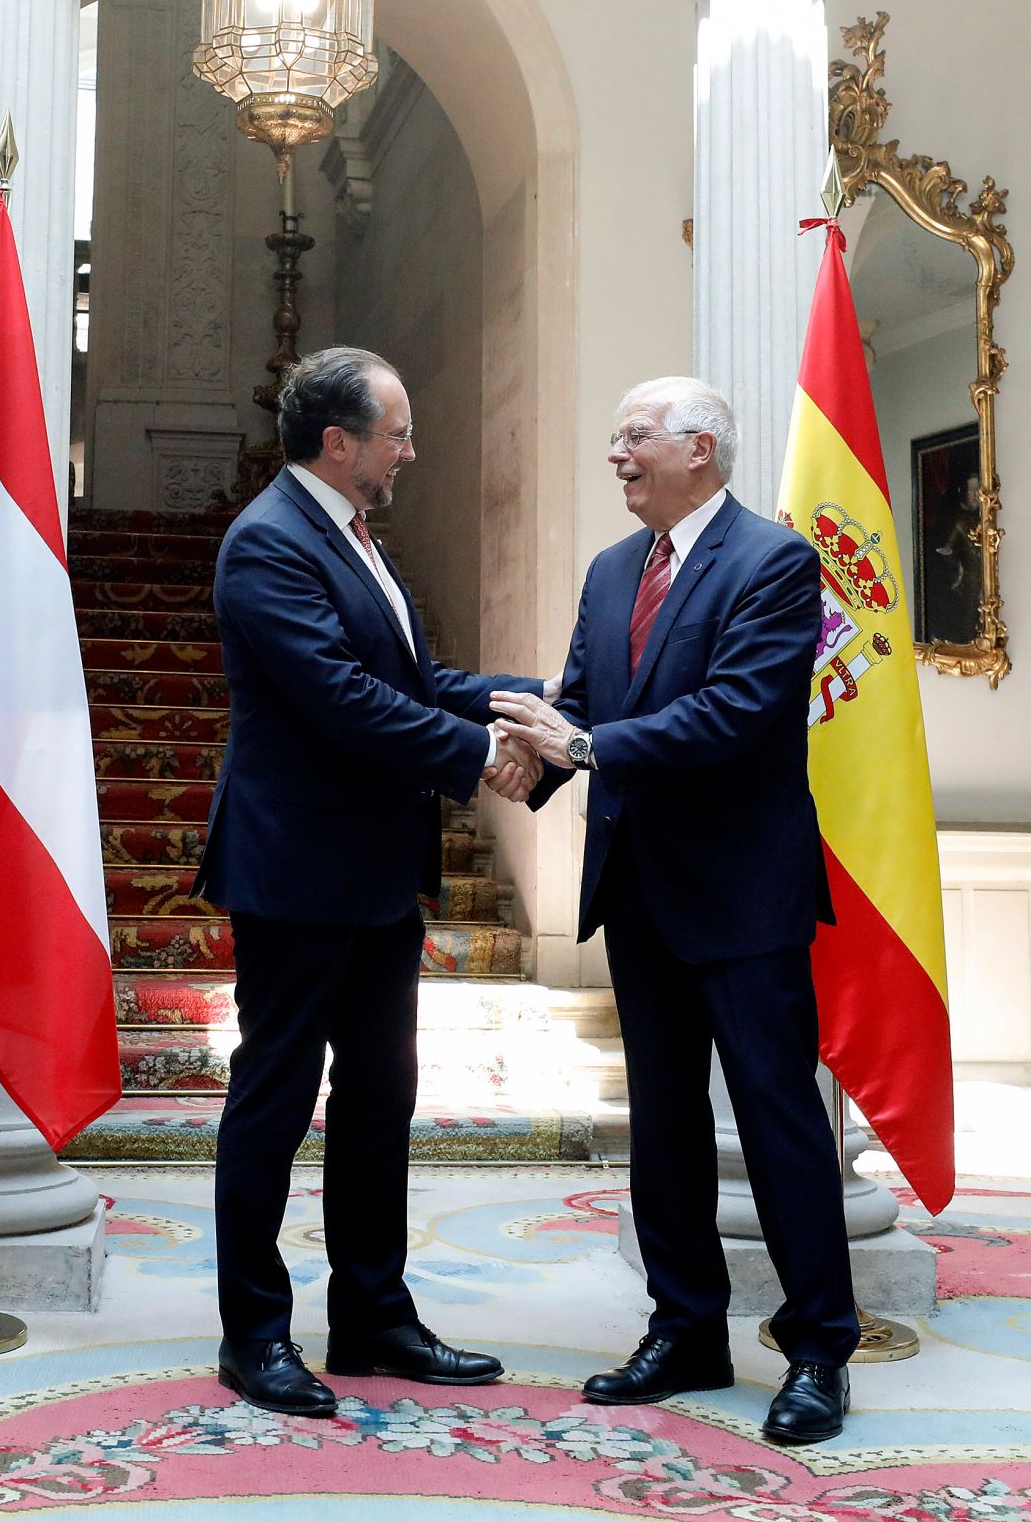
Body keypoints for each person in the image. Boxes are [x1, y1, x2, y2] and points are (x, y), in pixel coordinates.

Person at [490, 375, 859, 1446]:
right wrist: (525, 757)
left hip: (744, 894)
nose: (617, 453)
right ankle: (686, 1325)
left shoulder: (776, 561)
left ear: (701, 448)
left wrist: (587, 747)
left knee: (780, 1123)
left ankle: (819, 1346)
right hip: (640, 889)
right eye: (613, 436)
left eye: (635, 436)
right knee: (664, 1125)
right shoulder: (614, 571)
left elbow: (739, 711)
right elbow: (585, 702)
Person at [193, 345, 547, 1419]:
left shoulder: (352, 538)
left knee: (381, 1094)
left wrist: (545, 699)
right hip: (297, 871)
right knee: (274, 1098)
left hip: (378, 874)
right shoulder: (266, 544)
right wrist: (477, 753)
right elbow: (340, 698)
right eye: (396, 429)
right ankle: (253, 1332)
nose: (411, 447)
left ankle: (373, 1314)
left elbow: (415, 681)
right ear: (338, 441)